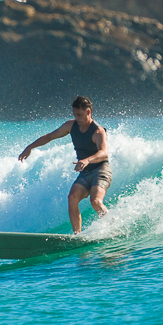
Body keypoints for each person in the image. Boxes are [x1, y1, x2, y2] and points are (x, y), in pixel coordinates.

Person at [18, 96, 111, 235]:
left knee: (96, 201)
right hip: (85, 173)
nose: (76, 118)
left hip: (101, 171)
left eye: (79, 115)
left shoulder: (97, 131)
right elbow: (50, 136)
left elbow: (104, 153)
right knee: (72, 198)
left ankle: (114, 227)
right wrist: (30, 147)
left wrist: (87, 160)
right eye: (74, 114)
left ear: (88, 112)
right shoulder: (71, 125)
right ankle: (77, 235)